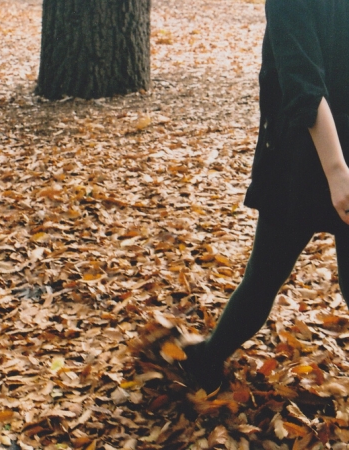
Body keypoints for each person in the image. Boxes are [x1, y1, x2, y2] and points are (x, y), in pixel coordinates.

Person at [182, 0, 349, 393]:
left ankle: (206, 358)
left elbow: (303, 85)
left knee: (266, 279)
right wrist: (337, 171)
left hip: (307, 162)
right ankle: (206, 359)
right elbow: (304, 86)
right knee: (264, 277)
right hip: (301, 164)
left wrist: (338, 173)